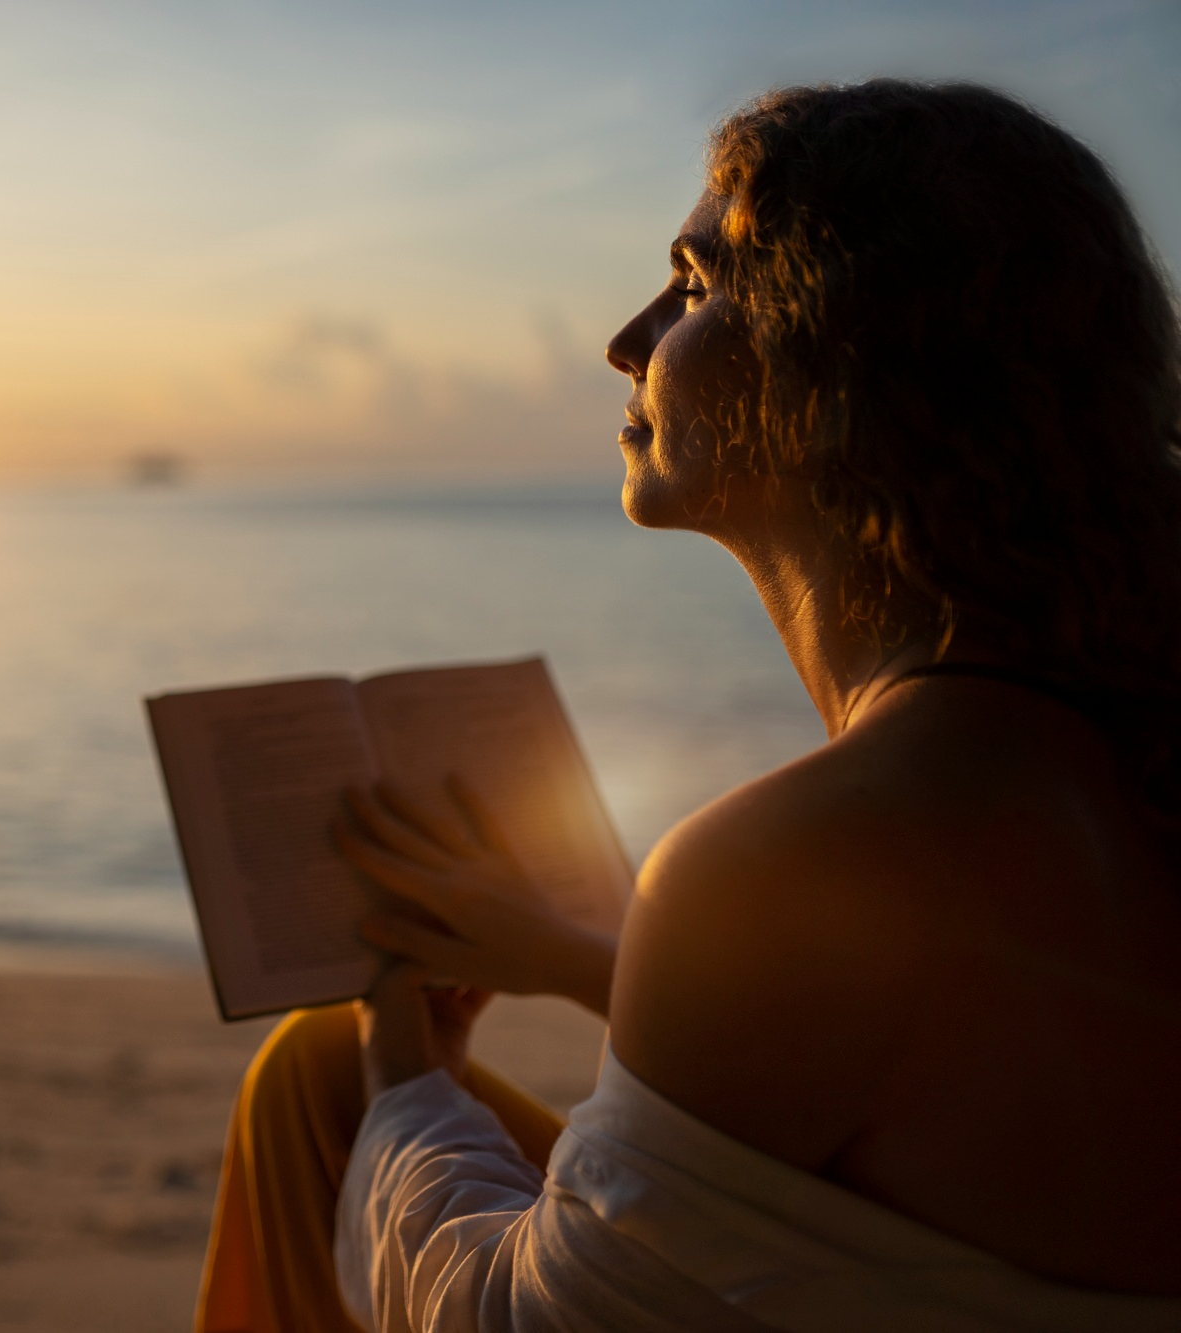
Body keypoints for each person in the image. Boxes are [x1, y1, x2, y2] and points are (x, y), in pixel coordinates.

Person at [195, 80, 1181, 1332]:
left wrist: (405, 1080)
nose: (626, 337)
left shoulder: (813, 851)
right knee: (316, 1068)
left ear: (850, 361)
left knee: (324, 1089)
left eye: (693, 285)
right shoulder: (1105, 766)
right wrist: (571, 956)